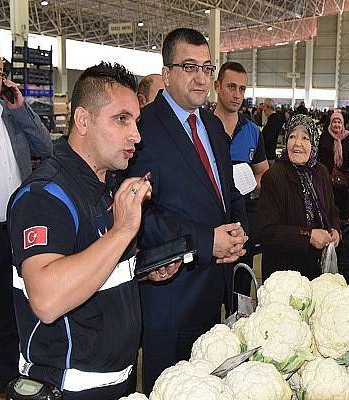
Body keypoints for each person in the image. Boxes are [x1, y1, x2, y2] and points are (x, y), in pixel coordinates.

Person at [7, 62, 178, 399]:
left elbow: (91, 268)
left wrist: (140, 272)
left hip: (116, 382)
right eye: (121, 119)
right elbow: (46, 298)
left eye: (136, 121)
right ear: (83, 120)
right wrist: (123, 230)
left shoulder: (104, 186)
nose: (136, 135)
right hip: (67, 389)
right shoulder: (44, 196)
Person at [127, 28, 248, 394]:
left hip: (213, 295)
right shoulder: (143, 129)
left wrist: (239, 231)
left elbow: (228, 194)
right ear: (166, 74)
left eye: (207, 67)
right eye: (189, 66)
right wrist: (203, 241)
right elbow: (137, 217)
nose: (201, 77)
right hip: (170, 299)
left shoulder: (211, 126)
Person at [0, 45, 53, 399]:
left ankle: (9, 389)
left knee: (11, 324)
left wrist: (22, 110)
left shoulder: (11, 115)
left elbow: (47, 147)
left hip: (15, 238)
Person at [258, 114, 340, 281]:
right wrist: (308, 235)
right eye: (292, 136)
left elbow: (332, 211)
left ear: (314, 143)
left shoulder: (321, 172)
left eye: (305, 138)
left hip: (316, 269)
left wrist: (336, 229)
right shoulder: (274, 177)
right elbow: (267, 231)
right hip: (285, 273)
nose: (297, 143)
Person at [213, 61, 268, 306]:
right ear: (217, 86)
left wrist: (248, 182)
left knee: (241, 298)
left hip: (242, 224)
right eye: (231, 87)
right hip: (210, 224)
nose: (237, 95)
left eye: (242, 89)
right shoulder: (201, 126)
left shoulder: (253, 131)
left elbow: (264, 175)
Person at [318, 110, 349, 219]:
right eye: (334, 122)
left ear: (343, 124)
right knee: (327, 204)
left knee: (341, 206)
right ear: (330, 123)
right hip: (326, 178)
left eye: (339, 122)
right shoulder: (324, 136)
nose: (337, 125)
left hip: (342, 180)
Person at [261, 98, 285, 164]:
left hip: (268, 155)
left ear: (269, 107)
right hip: (269, 154)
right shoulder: (274, 119)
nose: (263, 109)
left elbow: (269, 139)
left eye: (264, 107)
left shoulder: (273, 121)